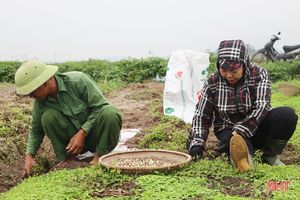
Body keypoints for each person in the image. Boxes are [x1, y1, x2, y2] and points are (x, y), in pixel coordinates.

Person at [187, 39, 298, 173]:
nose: (228, 75)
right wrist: (197, 145)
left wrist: (240, 129)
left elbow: (262, 106)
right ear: (218, 66)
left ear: (244, 64)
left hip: (256, 125)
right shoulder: (213, 82)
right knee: (241, 157)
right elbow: (202, 116)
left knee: (287, 115)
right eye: (224, 70)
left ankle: (270, 155)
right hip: (227, 129)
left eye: (234, 70)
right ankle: (242, 157)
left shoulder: (258, 74)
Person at [15, 60, 122, 176]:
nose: (30, 96)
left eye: (32, 91)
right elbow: (36, 130)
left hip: (99, 138)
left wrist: (82, 132)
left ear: (44, 83)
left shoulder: (78, 81)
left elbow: (100, 107)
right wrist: (29, 156)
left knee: (110, 112)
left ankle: (98, 158)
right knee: (48, 116)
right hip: (73, 146)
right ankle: (68, 160)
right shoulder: (40, 102)